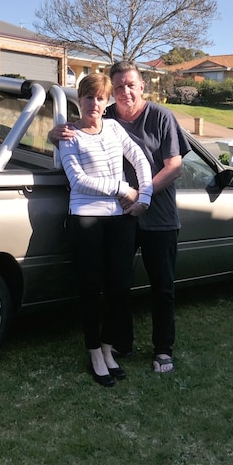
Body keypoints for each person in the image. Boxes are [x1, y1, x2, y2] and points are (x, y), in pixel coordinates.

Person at [52, 61, 191, 374]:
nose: (124, 91)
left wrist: (141, 197)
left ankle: (163, 350)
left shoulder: (161, 116)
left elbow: (174, 166)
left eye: (131, 84)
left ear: (142, 85)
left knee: (162, 286)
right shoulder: (108, 116)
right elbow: (80, 133)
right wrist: (55, 133)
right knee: (118, 284)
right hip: (118, 215)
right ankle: (120, 344)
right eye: (118, 87)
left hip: (157, 215)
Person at [58, 73, 152, 387]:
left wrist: (146, 195)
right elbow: (78, 179)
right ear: (79, 99)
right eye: (89, 97)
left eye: (101, 98)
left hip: (121, 219)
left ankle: (109, 348)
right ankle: (95, 352)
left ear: (106, 101)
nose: (95, 104)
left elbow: (139, 157)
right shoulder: (69, 135)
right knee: (90, 288)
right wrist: (123, 189)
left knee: (119, 287)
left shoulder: (113, 127)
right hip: (86, 217)